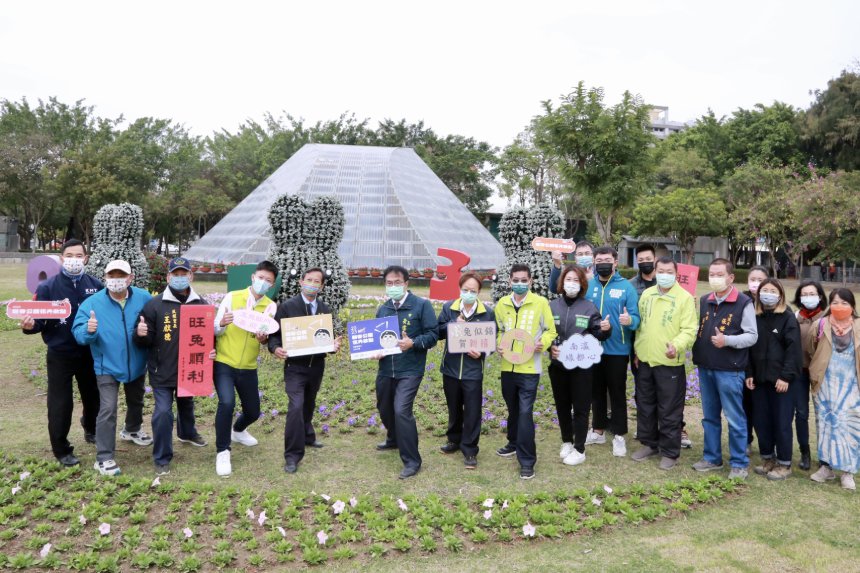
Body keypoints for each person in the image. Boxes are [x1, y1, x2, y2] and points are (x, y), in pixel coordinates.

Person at [21, 239, 102, 466]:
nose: (74, 260)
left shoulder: (96, 286)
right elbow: (38, 320)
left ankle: (91, 428)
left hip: (89, 352)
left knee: (93, 395)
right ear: (61, 258)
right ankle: (61, 448)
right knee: (60, 403)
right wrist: (30, 326)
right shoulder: (47, 287)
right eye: (70, 255)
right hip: (60, 354)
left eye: (79, 256)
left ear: (86, 259)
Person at [72, 260, 153, 476]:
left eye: (121, 275)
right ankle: (104, 457)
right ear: (105, 278)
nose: (116, 280)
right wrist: (88, 331)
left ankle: (132, 430)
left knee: (136, 400)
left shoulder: (144, 297)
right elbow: (78, 333)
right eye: (111, 276)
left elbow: (158, 321)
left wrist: (148, 332)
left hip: (136, 363)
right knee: (107, 409)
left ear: (130, 278)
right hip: (106, 365)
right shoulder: (92, 303)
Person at [133, 257, 209, 475]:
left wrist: (210, 351)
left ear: (191, 276)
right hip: (161, 369)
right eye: (175, 274)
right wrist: (140, 335)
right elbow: (142, 340)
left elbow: (206, 337)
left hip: (189, 368)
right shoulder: (154, 305)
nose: (179, 278)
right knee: (163, 412)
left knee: (186, 404)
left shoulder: (200, 304)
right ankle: (162, 456)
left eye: (183, 273)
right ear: (168, 277)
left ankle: (187, 433)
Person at [267, 267, 341, 474]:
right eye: (309, 279)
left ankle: (308, 436)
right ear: (301, 282)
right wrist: (275, 348)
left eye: (317, 281)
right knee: (296, 407)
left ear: (322, 286)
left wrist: (334, 346)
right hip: (294, 368)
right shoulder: (288, 307)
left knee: (309, 403)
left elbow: (327, 339)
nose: (312, 284)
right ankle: (292, 456)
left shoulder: (325, 309)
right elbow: (274, 335)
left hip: (316, 366)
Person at [691, 258, 758, 480]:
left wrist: (727, 341)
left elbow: (752, 336)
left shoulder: (743, 302)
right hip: (706, 367)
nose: (715, 278)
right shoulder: (704, 300)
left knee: (734, 417)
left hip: (730, 369)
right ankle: (712, 458)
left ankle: (739, 463)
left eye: (720, 274)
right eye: (712, 274)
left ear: (731, 277)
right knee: (709, 417)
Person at [212, 261, 279, 477]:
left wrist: (262, 339)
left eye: (268, 280)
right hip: (224, 361)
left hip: (248, 366)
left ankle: (238, 431)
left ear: (272, 284)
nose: (263, 282)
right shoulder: (233, 297)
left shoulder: (270, 306)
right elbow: (215, 329)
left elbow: (265, 338)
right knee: (227, 402)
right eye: (260, 277)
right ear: (252, 277)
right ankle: (223, 451)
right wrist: (221, 322)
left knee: (253, 410)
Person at [631, 257, 697, 470]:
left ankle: (670, 452)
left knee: (669, 409)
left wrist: (676, 346)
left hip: (669, 363)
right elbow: (641, 326)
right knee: (645, 404)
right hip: (646, 360)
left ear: (676, 273)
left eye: (669, 271)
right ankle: (650, 443)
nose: (664, 274)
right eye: (661, 270)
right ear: (656, 271)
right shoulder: (647, 295)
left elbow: (689, 330)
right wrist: (637, 351)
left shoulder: (684, 298)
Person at [373, 265, 439, 479]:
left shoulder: (421, 306)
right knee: (384, 407)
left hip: (410, 369)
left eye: (397, 283)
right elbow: (377, 340)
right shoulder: (383, 309)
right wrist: (376, 352)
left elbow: (432, 335)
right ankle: (393, 438)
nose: (393, 287)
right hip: (386, 369)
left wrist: (414, 343)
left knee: (401, 410)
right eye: (389, 283)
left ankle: (412, 461)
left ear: (406, 284)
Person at [494, 263, 557, 479]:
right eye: (516, 280)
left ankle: (527, 460)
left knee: (524, 412)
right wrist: (498, 343)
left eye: (524, 280)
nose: (519, 283)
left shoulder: (540, 303)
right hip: (507, 366)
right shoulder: (502, 304)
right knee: (513, 408)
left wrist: (544, 343)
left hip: (530, 368)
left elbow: (551, 330)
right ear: (509, 281)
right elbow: (499, 330)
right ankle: (513, 442)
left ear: (530, 281)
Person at [548, 264, 609, 467]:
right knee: (562, 407)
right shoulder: (552, 306)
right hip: (558, 367)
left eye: (575, 280)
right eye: (568, 279)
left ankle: (579, 448)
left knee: (581, 409)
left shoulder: (589, 307)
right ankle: (567, 441)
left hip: (582, 368)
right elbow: (545, 333)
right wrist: (550, 347)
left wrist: (606, 329)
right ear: (562, 282)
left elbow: (599, 333)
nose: (571, 283)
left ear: (582, 284)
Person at [583, 246, 640, 457]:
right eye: (599, 260)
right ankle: (597, 431)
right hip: (592, 348)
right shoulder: (588, 286)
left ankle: (618, 435)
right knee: (595, 392)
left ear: (615, 262)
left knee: (616, 392)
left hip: (617, 350)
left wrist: (629, 320)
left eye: (607, 259)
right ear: (594, 262)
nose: (602, 263)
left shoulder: (626, 288)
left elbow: (636, 318)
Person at [436, 272, 495, 469]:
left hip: (472, 371)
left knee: (472, 411)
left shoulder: (486, 313)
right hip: (451, 369)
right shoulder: (449, 308)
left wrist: (482, 353)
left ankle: (469, 449)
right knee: (453, 407)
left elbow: (492, 342)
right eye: (465, 290)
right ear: (460, 289)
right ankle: (454, 440)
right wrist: (454, 325)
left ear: (479, 292)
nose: (468, 293)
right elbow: (437, 332)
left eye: (473, 291)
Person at [744, 278, 802, 481]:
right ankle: (767, 458)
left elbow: (793, 350)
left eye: (772, 290)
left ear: (780, 295)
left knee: (782, 422)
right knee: (762, 421)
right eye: (764, 290)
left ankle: (784, 463)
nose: (768, 293)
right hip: (759, 380)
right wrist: (749, 373)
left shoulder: (787, 318)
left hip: (781, 382)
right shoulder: (754, 316)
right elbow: (748, 347)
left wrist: (786, 376)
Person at [807, 288, 859, 491]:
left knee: (850, 426)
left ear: (852, 306)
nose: (840, 306)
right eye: (835, 302)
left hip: (852, 386)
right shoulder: (820, 325)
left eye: (845, 303)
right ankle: (826, 467)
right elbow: (810, 349)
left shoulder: (858, 325)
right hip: (825, 385)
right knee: (826, 424)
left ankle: (848, 472)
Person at [793, 279, 827, 470]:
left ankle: (824, 457)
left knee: (821, 415)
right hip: (799, 372)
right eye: (804, 294)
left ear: (820, 296)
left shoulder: (826, 317)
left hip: (820, 374)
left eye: (812, 294)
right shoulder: (795, 316)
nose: (808, 298)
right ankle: (805, 452)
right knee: (801, 414)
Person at [742, 265, 771, 452]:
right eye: (753, 279)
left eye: (760, 280)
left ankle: (767, 443)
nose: (756, 283)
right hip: (744, 360)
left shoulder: (773, 303)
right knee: (745, 405)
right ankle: (746, 440)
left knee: (764, 406)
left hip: (766, 362)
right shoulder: (741, 301)